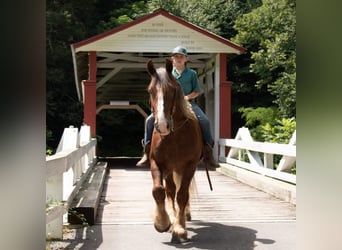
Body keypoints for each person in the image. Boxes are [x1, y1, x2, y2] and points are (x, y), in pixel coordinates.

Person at [136, 46, 219, 169]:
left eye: (181, 56)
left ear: (186, 59)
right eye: (176, 56)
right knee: (149, 120)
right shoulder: (168, 74)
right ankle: (147, 152)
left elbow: (197, 91)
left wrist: (186, 97)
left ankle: (208, 151)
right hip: (169, 104)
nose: (178, 59)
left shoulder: (192, 74)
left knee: (204, 121)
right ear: (172, 59)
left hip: (188, 103)